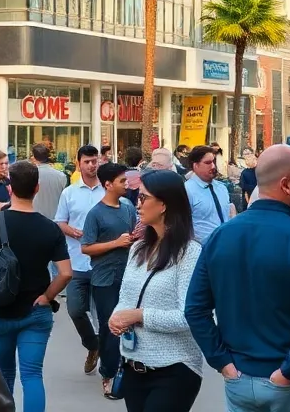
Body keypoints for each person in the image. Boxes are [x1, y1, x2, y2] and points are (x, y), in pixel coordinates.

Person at [186, 145, 290, 412]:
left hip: (241, 379)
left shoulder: (221, 235)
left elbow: (196, 308)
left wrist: (223, 362)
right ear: (285, 185)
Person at [0, 161, 72, 412]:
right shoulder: (50, 228)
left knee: (4, 374)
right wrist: (47, 296)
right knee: (32, 374)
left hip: (0, 310)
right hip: (36, 311)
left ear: (9, 188)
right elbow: (65, 273)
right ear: (37, 188)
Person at [109, 169, 204, 412]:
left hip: (174, 369)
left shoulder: (189, 253)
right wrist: (117, 316)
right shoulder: (138, 248)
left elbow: (189, 316)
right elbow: (126, 298)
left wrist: (139, 316)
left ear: (164, 205)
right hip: (133, 365)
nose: (137, 204)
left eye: (143, 197)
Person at [80, 162, 139, 397]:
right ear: (108, 184)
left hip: (129, 275)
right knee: (110, 326)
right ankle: (108, 373)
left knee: (129, 324)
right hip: (104, 278)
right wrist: (116, 243)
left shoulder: (128, 207)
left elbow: (132, 236)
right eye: (122, 181)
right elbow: (86, 247)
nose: (127, 184)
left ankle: (127, 369)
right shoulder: (95, 213)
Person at [54, 144, 103, 375]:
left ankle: (110, 364)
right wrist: (72, 231)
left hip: (103, 263)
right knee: (75, 309)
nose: (92, 165)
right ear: (79, 164)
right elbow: (60, 222)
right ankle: (93, 345)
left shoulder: (108, 191)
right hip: (77, 261)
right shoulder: (69, 193)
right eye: (87, 162)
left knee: (105, 314)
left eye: (95, 161)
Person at [185, 145, 234, 244]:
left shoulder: (222, 188)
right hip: (202, 248)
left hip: (226, 244)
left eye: (213, 161)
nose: (213, 166)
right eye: (208, 163)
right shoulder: (187, 190)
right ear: (195, 165)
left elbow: (229, 214)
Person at [29, 143, 68, 221]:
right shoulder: (61, 176)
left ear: (34, 157)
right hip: (55, 221)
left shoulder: (29, 175)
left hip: (34, 220)